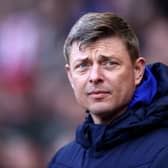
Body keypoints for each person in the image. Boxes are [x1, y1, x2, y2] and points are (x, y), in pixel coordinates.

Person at [48, 12, 168, 168]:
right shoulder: (61, 161)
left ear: (137, 71)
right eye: (83, 66)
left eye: (109, 63)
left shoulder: (163, 152)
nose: (95, 76)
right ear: (70, 76)